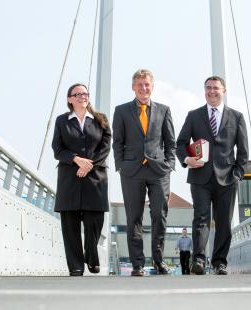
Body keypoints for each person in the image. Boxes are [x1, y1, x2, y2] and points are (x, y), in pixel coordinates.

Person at [176, 76, 248, 275]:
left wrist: (237, 174)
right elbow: (180, 143)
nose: (211, 91)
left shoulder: (237, 117)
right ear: (204, 90)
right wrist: (186, 159)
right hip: (200, 176)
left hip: (227, 178)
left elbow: (243, 150)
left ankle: (219, 262)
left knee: (224, 221)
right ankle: (198, 260)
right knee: (201, 218)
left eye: (215, 88)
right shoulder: (194, 115)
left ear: (223, 90)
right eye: (208, 88)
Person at [112, 69, 176, 276]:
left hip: (158, 170)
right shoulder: (121, 111)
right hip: (131, 171)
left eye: (147, 84)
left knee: (159, 215)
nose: (143, 88)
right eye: (140, 85)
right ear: (133, 87)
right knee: (134, 217)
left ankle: (159, 261)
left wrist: (169, 164)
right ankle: (137, 264)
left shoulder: (164, 110)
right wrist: (120, 165)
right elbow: (118, 142)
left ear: (152, 86)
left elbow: (170, 142)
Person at [52, 83, 111, 276]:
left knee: (95, 222)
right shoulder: (62, 121)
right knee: (70, 227)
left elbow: (105, 147)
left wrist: (88, 165)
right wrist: (76, 160)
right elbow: (58, 149)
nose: (81, 97)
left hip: (95, 178)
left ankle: (92, 257)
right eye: (77, 94)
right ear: (70, 99)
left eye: (84, 93)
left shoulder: (101, 120)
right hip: (70, 178)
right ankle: (76, 266)